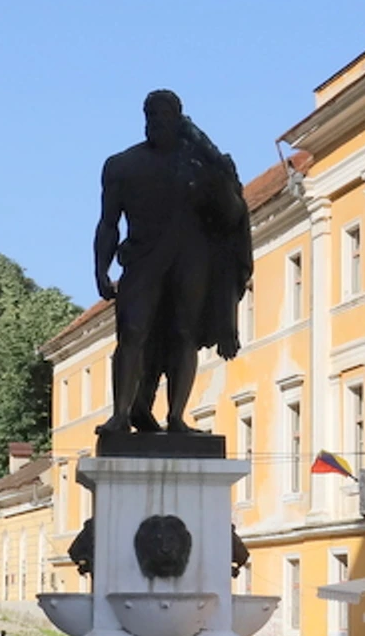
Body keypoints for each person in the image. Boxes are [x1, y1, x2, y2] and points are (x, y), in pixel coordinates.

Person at [94, 89, 253, 435]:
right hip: (143, 259)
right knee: (132, 332)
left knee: (185, 333)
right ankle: (121, 415)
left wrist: (221, 176)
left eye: (165, 114)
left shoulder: (199, 165)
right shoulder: (123, 165)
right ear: (144, 119)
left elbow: (230, 214)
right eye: (152, 114)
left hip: (190, 259)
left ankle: (177, 417)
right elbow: (108, 223)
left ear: (178, 119)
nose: (157, 121)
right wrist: (101, 268)